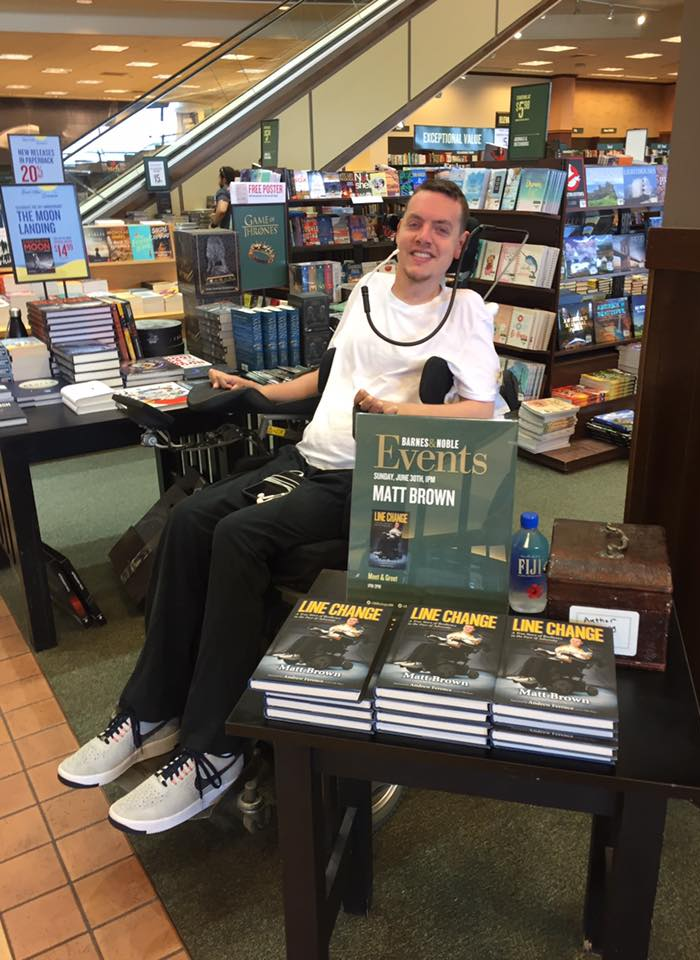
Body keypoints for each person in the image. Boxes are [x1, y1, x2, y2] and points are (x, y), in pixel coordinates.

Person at [58, 178, 501, 835]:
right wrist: (257, 389)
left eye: (441, 228)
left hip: (371, 481)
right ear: (399, 230)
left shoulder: (466, 313)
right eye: (415, 223)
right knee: (186, 518)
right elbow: (332, 376)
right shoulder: (368, 292)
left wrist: (398, 411)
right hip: (309, 460)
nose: (424, 237)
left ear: (460, 244)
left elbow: (482, 410)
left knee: (238, 535)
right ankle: (152, 709)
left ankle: (214, 750)